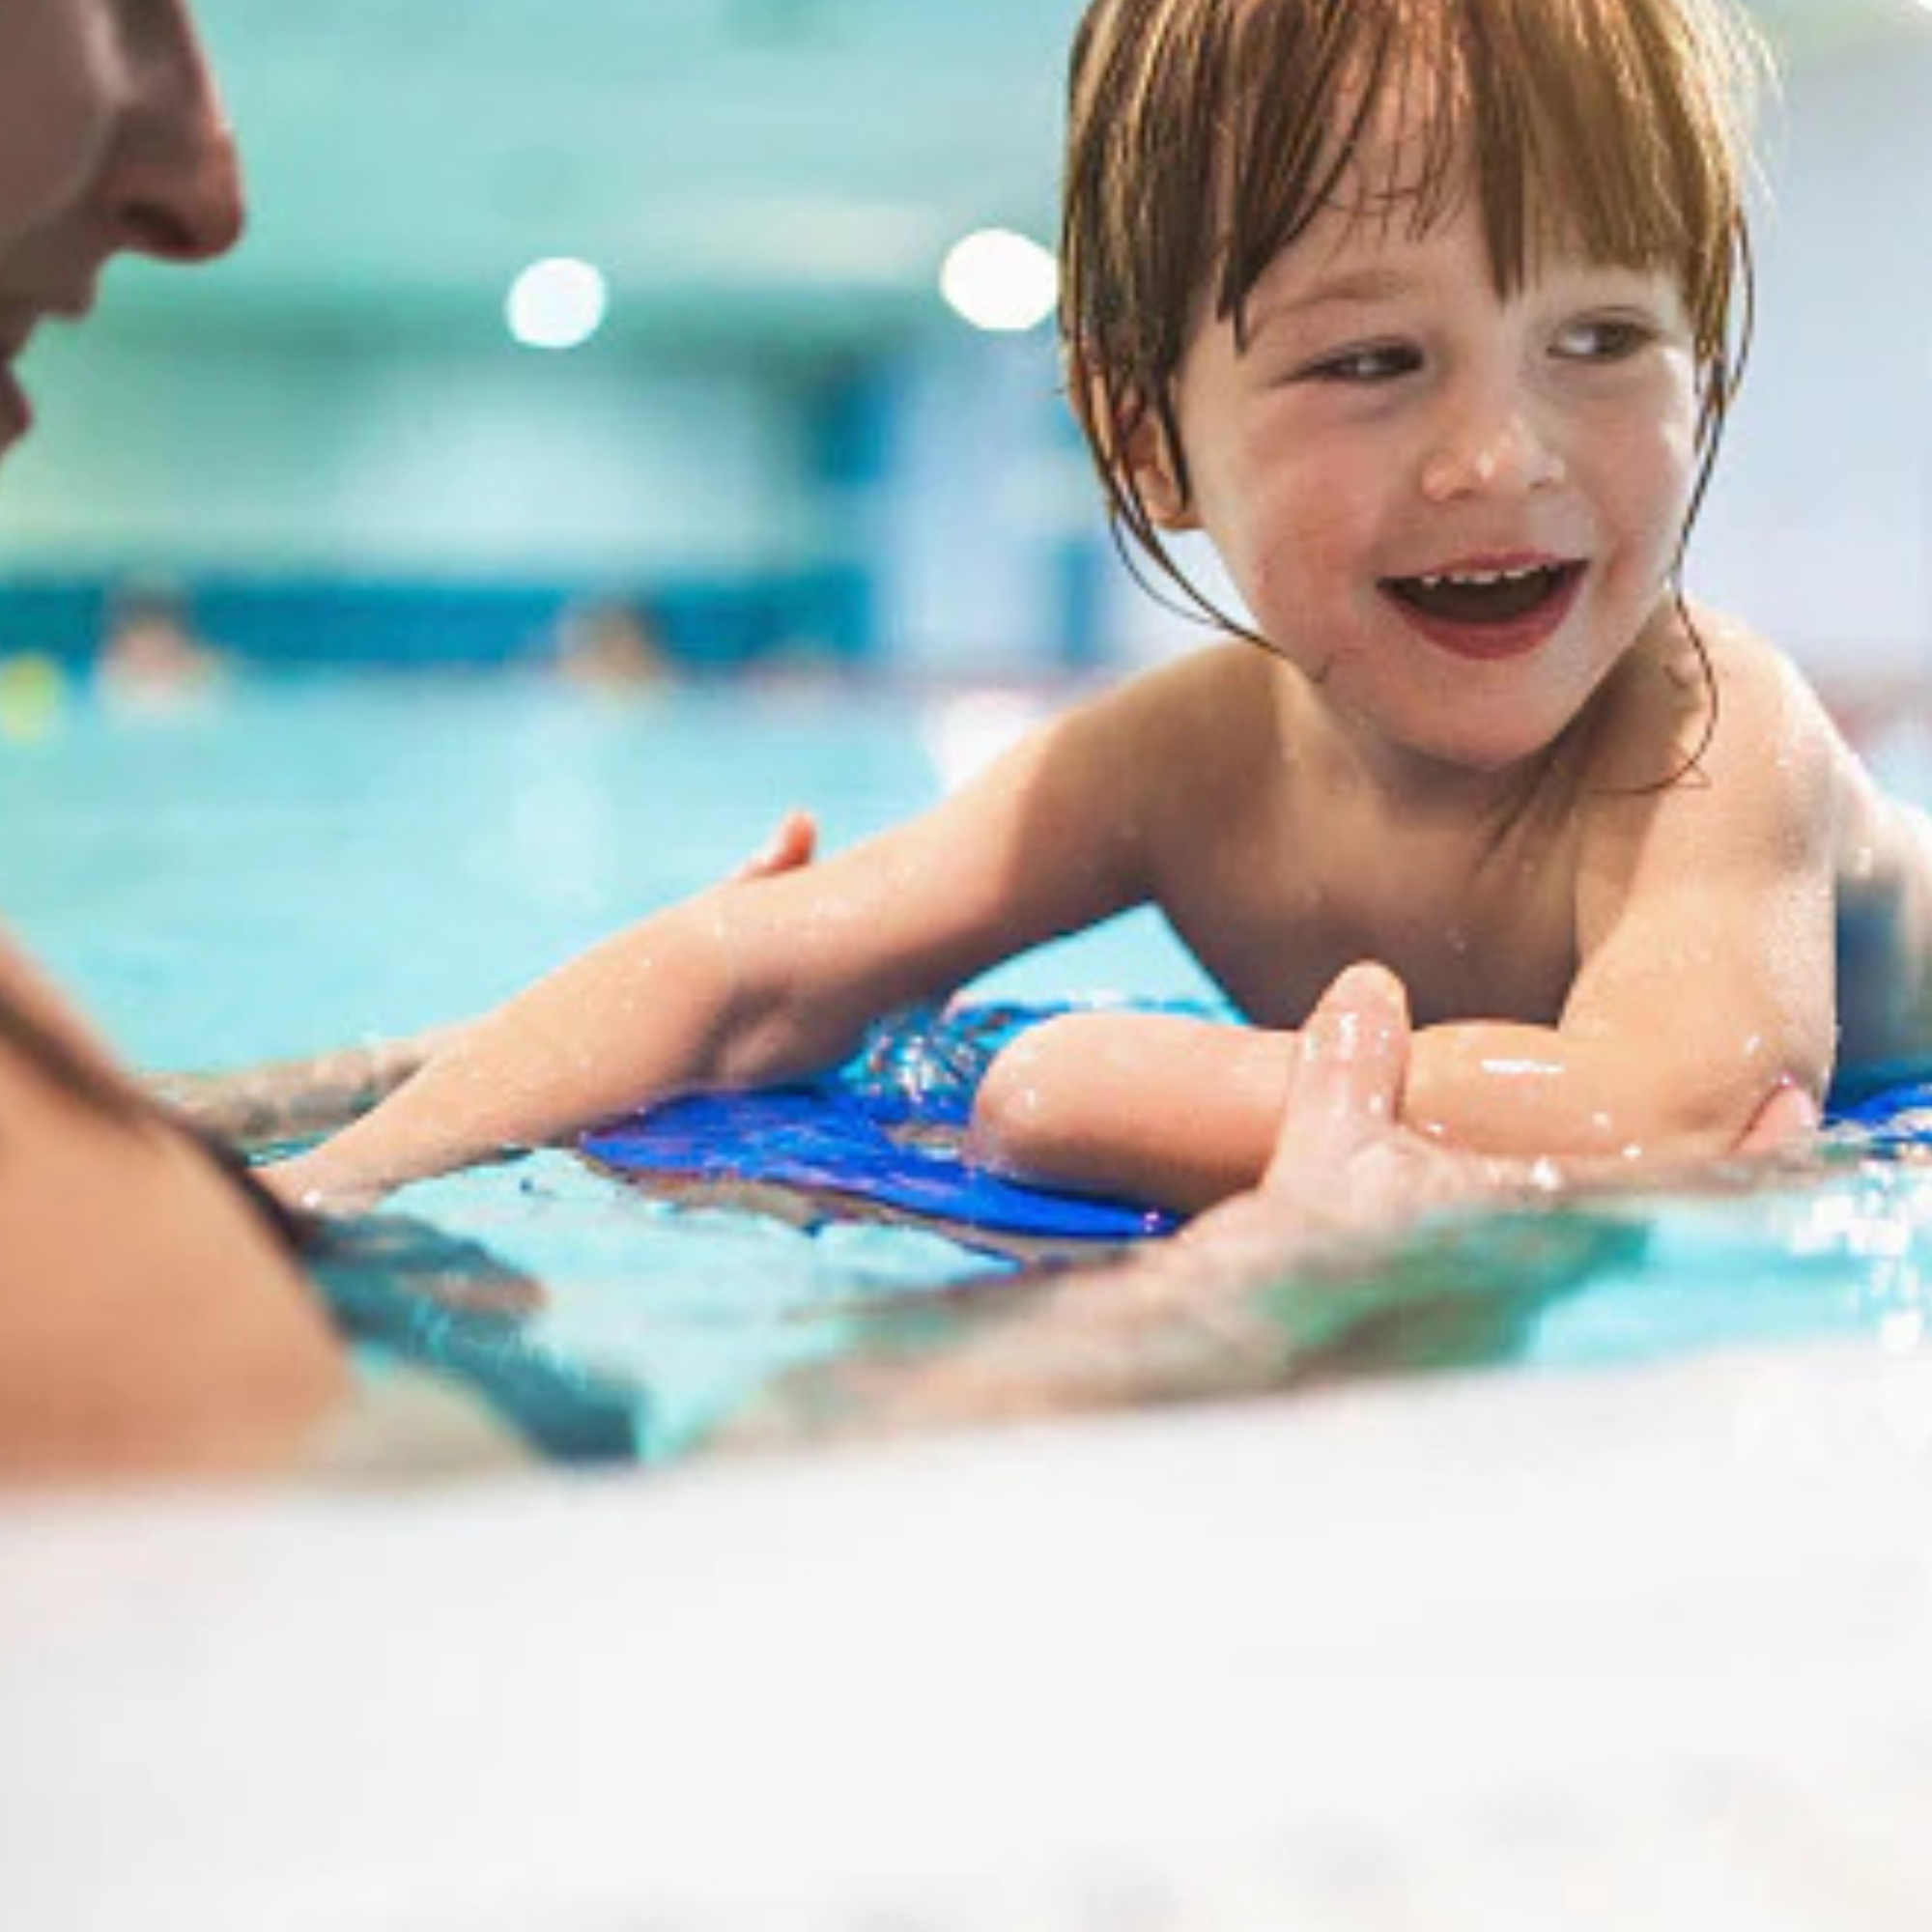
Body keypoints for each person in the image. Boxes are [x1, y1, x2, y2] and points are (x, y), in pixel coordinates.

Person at [272, 0, 1876, 1226]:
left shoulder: (1709, 740)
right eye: (1372, 361)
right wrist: (324, 1175)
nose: (1503, 455)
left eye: (1600, 339)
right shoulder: (1172, 764)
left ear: (1705, 360)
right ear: (1147, 442)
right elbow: (750, 971)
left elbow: (1680, 1114)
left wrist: (1092, 1087)